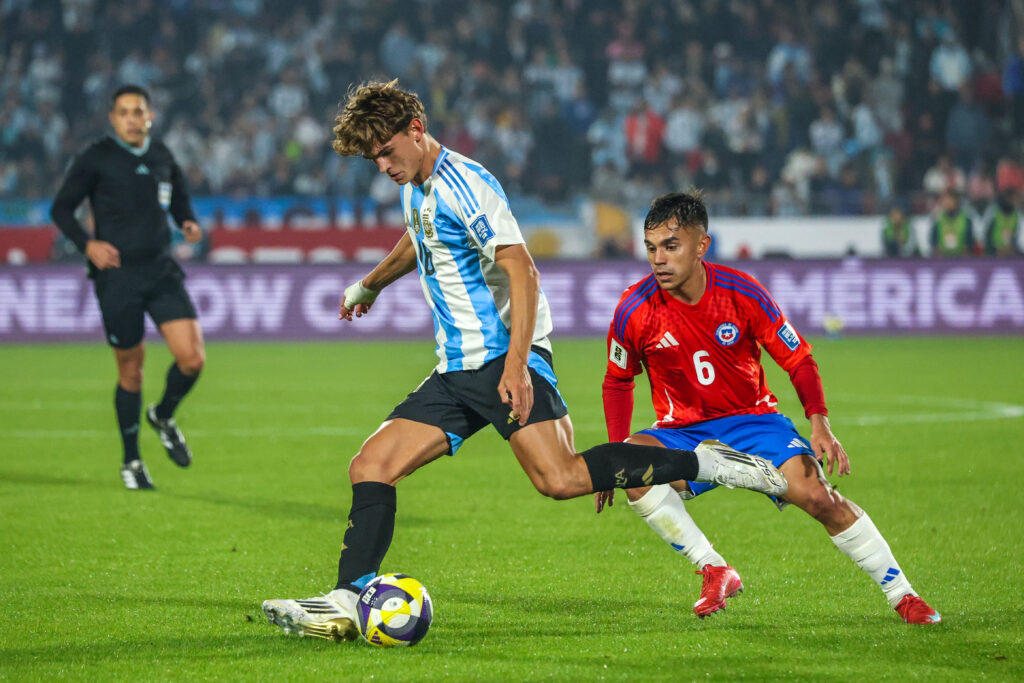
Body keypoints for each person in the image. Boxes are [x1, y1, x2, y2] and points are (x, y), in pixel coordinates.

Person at [261, 81, 788, 642]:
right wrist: (369, 285)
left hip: (502, 358)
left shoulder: (467, 183)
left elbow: (523, 269)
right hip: (457, 368)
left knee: (560, 479)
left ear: (416, 130)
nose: (383, 165)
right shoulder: (415, 186)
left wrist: (516, 366)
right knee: (371, 466)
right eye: (374, 158)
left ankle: (709, 463)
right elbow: (418, 240)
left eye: (387, 151)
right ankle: (347, 597)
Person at [596, 191, 941, 625]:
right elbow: (618, 380)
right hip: (682, 431)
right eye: (651, 248)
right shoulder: (634, 308)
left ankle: (903, 595)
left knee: (820, 497)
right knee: (633, 466)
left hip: (755, 423)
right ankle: (715, 569)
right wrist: (612, 455)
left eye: (671, 246)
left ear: (701, 246)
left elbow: (798, 358)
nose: (658, 259)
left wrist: (821, 423)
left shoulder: (741, 293)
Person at [50, 85, 205, 490]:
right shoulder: (96, 157)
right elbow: (60, 208)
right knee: (131, 371)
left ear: (150, 116)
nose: (132, 119)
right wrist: (87, 244)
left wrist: (186, 221)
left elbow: (178, 199)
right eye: (124, 112)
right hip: (117, 276)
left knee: (192, 359)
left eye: (138, 111)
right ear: (113, 119)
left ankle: (164, 414)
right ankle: (132, 462)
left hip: (159, 270)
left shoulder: (161, 154)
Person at [929, 190, 975, 257]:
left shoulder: (966, 221)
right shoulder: (937, 222)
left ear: (956, 201)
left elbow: (968, 246)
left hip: (962, 261)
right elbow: (935, 246)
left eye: (949, 200)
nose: (946, 203)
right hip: (942, 261)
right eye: (944, 201)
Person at [985, 190, 1021, 256]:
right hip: (994, 255)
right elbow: (988, 236)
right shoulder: (994, 213)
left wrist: (1013, 249)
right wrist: (994, 250)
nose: (1014, 202)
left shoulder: (1016, 216)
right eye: (1012, 199)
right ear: (1006, 199)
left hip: (1011, 255)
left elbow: (1017, 235)